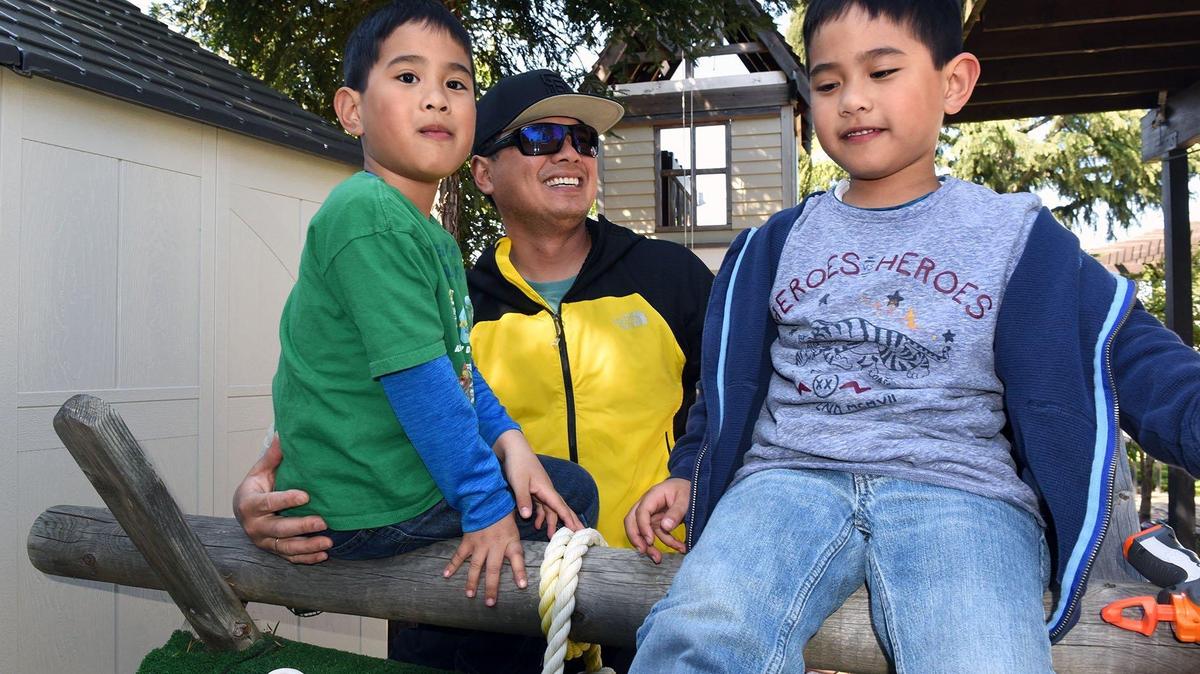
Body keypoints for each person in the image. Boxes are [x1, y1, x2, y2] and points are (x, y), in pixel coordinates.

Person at [626, 1, 1200, 671]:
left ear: (953, 83)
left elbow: (1134, 355)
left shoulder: (1015, 235)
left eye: (882, 72)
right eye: (829, 82)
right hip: (785, 481)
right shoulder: (771, 246)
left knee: (984, 659)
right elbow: (723, 390)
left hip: (962, 492)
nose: (853, 101)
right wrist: (691, 472)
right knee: (699, 632)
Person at [235, 68, 713, 672]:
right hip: (471, 621)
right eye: (540, 137)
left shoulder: (675, 278)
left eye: (583, 141)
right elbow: (340, 417)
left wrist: (694, 481)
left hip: (649, 602)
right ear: (484, 172)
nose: (570, 153)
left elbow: (733, 415)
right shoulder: (448, 296)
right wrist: (268, 502)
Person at [269, 0, 596, 613]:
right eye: (408, 77)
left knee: (553, 486)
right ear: (351, 111)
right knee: (558, 503)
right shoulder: (367, 217)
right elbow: (421, 384)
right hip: (363, 504)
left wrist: (510, 442)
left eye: (456, 83)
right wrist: (485, 505)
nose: (437, 98)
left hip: (385, 482)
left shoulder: (431, 237)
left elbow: (457, 370)